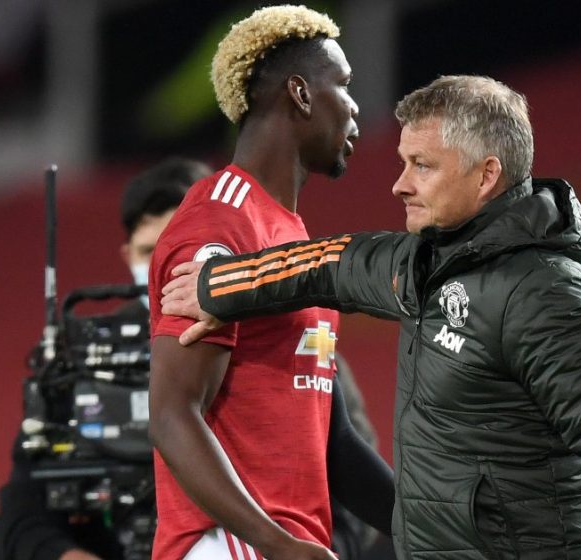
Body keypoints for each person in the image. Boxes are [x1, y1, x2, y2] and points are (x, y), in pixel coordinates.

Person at [161, 75, 581, 559]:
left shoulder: (545, 294)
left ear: (486, 175)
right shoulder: (421, 262)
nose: (400, 183)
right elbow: (327, 265)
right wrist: (217, 286)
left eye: (422, 165)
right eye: (404, 163)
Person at [145, 6, 393, 560]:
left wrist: (441, 530)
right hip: (230, 544)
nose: (355, 107)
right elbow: (172, 414)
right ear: (300, 94)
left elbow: (334, 443)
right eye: (344, 85)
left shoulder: (291, 237)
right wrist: (274, 542)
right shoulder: (218, 224)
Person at [0, 157, 211, 560]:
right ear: (128, 255)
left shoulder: (271, 343)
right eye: (150, 251)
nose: (164, 268)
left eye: (181, 250)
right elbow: (23, 512)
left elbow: (325, 482)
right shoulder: (78, 356)